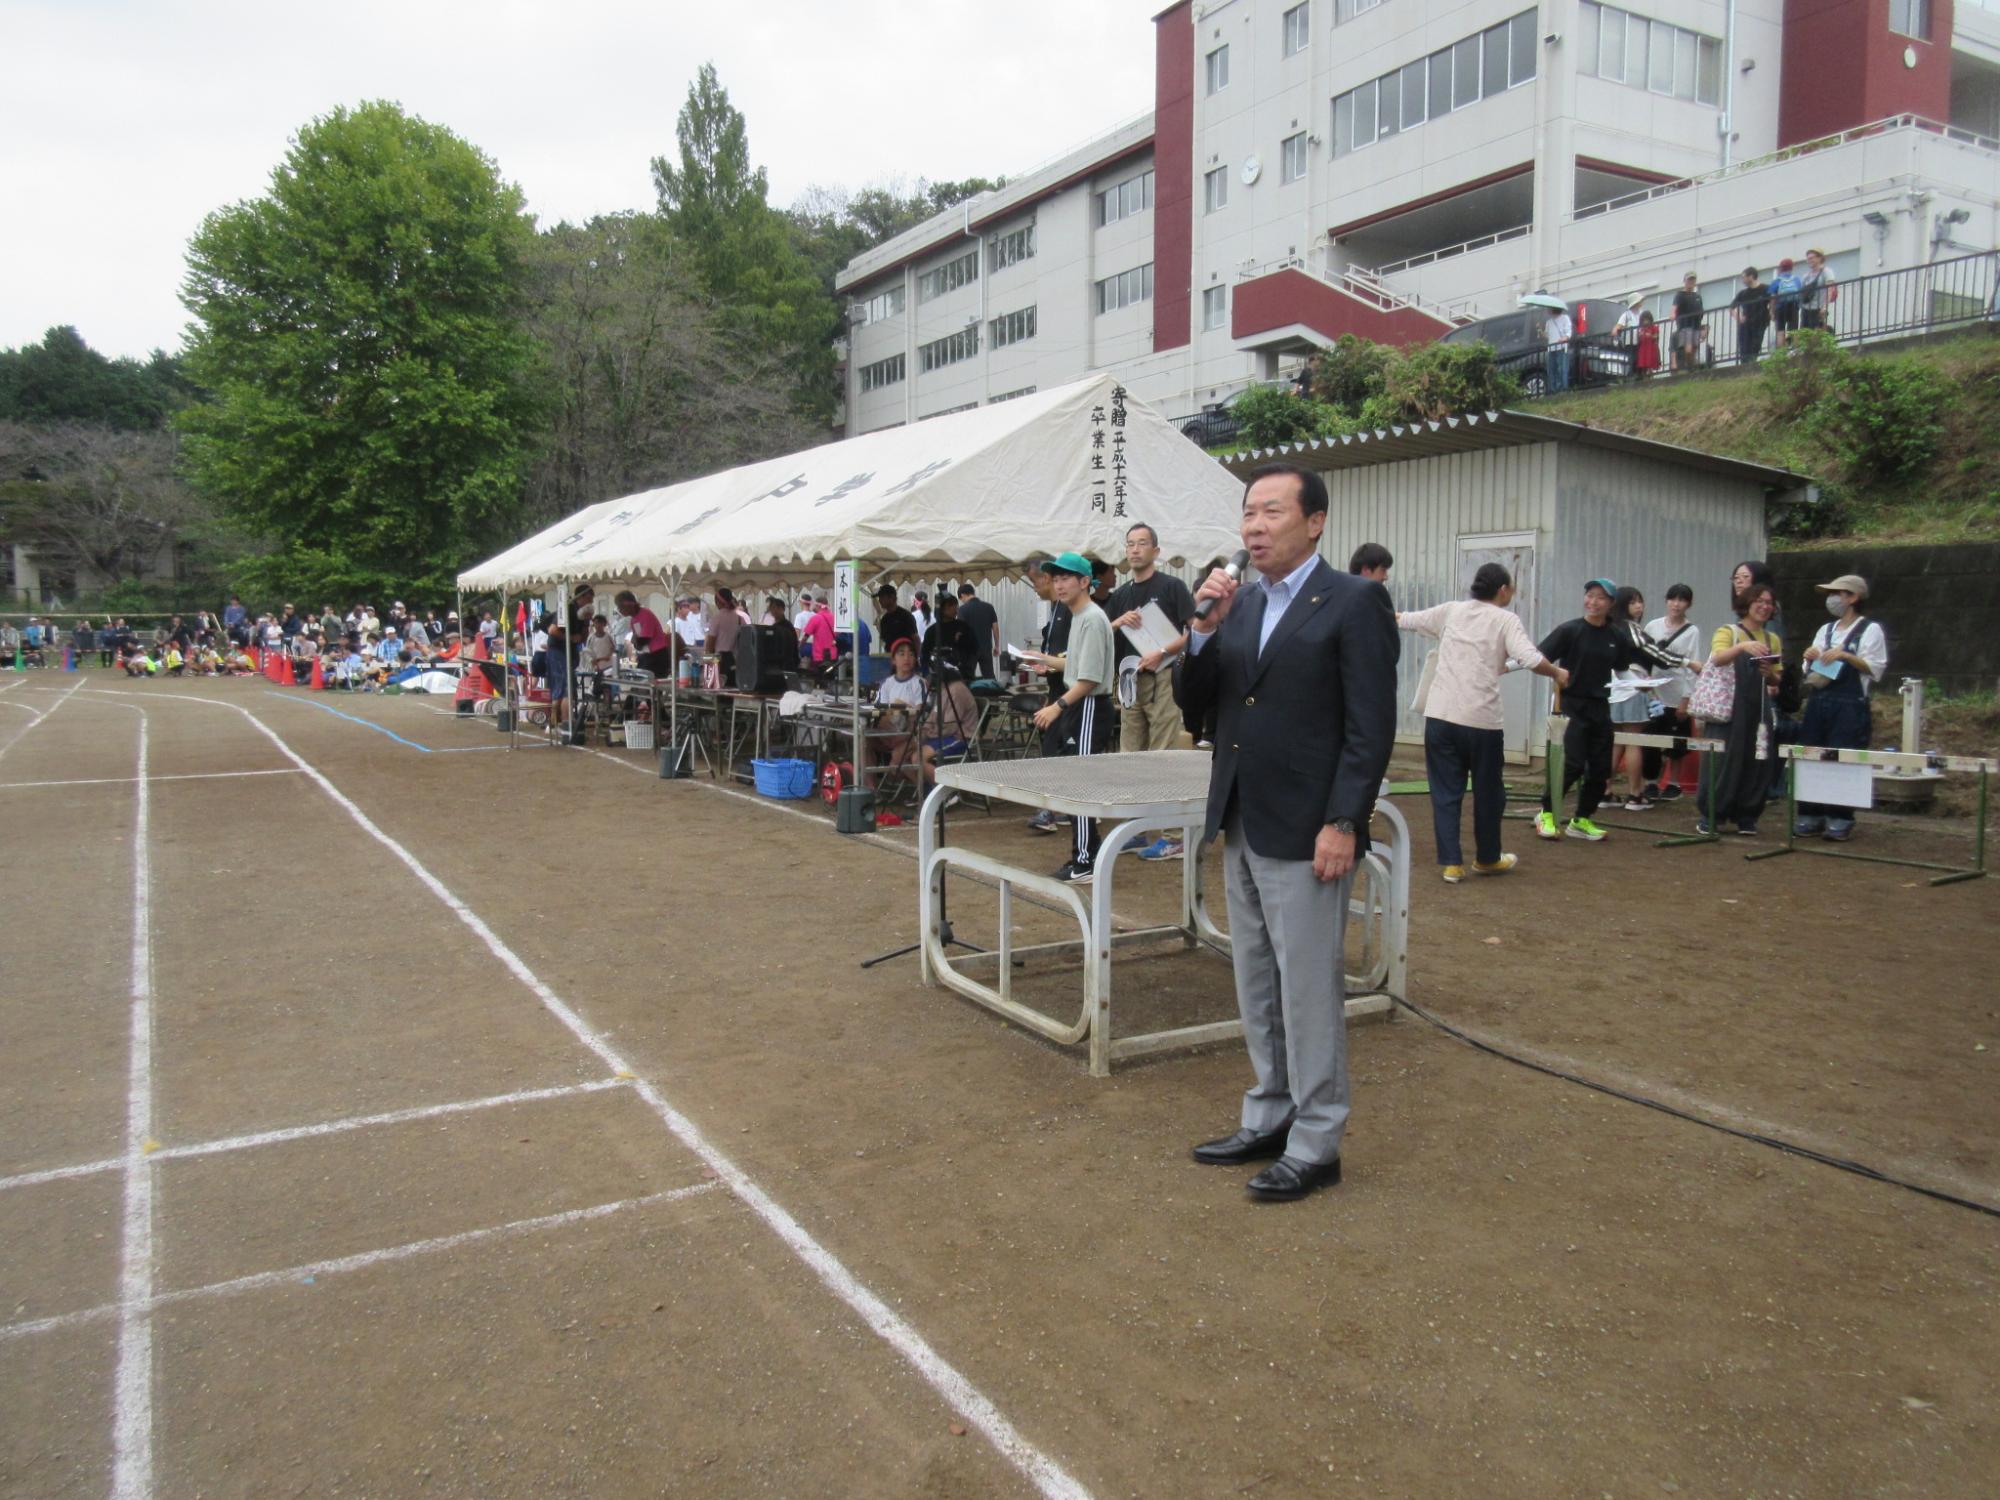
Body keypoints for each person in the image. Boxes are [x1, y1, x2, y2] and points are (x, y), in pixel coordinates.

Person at [1176, 461, 1399, 1204]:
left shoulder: (1355, 601)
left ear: (1315, 522)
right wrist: (1200, 627)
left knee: (1307, 989)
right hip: (1241, 814)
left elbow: (1370, 728)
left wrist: (1345, 821)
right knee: (1257, 980)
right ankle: (1269, 1113)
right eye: (1248, 514)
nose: (1254, 527)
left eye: (1272, 512)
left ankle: (1317, 1140)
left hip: (1309, 828)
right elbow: (1197, 705)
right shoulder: (1235, 605)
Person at [1397, 563, 1567, 882]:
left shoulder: (1452, 611)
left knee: (1446, 790)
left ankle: (1451, 863)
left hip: (1441, 716)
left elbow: (1404, 619)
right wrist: (1557, 673)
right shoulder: (1505, 620)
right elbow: (1531, 659)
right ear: (1502, 590)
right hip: (1481, 721)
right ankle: (1487, 858)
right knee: (1489, 792)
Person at [1533, 579, 1690, 842]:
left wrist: (1641, 685)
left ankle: (1582, 818)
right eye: (1590, 596)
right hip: (1572, 705)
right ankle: (1547, 813)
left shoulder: (1616, 635)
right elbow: (1538, 656)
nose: (1593, 602)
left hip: (1601, 706)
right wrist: (1554, 673)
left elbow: (1621, 670)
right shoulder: (1569, 630)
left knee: (1601, 766)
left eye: (1600, 598)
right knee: (1572, 763)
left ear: (1611, 604)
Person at [1030, 552, 1117, 884]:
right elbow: (1078, 666)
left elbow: (1089, 679)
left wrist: (1057, 707)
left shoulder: (1091, 618)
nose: (1059, 584)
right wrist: (1045, 660)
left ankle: (1084, 861)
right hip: (1083, 706)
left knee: (1079, 784)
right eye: (1056, 578)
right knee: (1076, 782)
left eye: (1067, 577)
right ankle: (1087, 854)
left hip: (1089, 707)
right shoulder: (1080, 616)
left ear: (1085, 582)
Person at [1796, 574, 1887, 841]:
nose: (1832, 599)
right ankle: (1809, 813)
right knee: (1810, 754)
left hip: (1849, 706)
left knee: (1844, 759)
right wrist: (1810, 657)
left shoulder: (1870, 630)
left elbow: (1876, 668)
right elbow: (1809, 669)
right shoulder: (1825, 630)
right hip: (1819, 701)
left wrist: (1846, 655)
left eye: (1838, 593)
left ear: (1853, 597)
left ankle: (1840, 817)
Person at [1105, 522, 1197, 766]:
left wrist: (1163, 652)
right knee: (1130, 749)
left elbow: (1195, 630)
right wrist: (1118, 622)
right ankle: (1130, 801)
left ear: (1156, 552)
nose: (1135, 550)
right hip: (1129, 679)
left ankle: (1159, 800)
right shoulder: (1120, 594)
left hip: (1164, 675)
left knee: (1162, 750)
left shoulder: (1172, 586)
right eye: (1130, 544)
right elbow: (1102, 634)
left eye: (1142, 544)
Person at [1697, 581, 1783, 836]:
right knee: (1722, 760)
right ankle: (1712, 813)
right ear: (1746, 603)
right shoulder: (1729, 631)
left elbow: (1778, 678)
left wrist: (1770, 674)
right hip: (1729, 705)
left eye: (1769, 603)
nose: (1764, 607)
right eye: (1759, 601)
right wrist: (1743, 647)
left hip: (1759, 706)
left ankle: (1747, 814)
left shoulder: (1772, 639)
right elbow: (1717, 658)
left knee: (1758, 759)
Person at [1639, 584, 1702, 802]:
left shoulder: (1692, 631)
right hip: (1654, 693)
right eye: (1673, 599)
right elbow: (1643, 656)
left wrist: (1686, 699)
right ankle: (1651, 782)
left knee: (1677, 742)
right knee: (1651, 739)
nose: (1676, 604)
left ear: (1689, 604)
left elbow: (1693, 666)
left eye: (1682, 600)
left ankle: (1673, 782)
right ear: (1666, 601)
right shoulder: (1653, 626)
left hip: (1677, 695)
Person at [1023, 562, 1072, 835]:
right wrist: (1045, 666)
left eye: (1035, 581)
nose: (1035, 588)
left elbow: (1071, 658)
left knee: (1066, 751)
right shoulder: (1055, 611)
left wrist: (1047, 663)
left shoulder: (1069, 610)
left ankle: (1058, 809)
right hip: (1056, 690)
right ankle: (1054, 808)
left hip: (1070, 694)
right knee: (1053, 748)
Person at [919, 591, 979, 680]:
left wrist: (969, 669)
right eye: (950, 605)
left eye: (956, 604)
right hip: (939, 678)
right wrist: (927, 673)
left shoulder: (963, 627)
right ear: (941, 608)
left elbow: (975, 649)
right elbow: (925, 654)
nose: (955, 608)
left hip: (962, 676)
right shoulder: (932, 631)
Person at [617, 591, 672, 678]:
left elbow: (643, 640)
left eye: (621, 607)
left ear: (630, 605)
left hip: (657, 655)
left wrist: (636, 641)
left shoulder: (646, 614)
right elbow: (636, 643)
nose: (619, 610)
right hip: (645, 655)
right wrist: (636, 641)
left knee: (651, 685)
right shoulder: (633, 620)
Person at [955, 584, 1000, 681]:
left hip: (969, 650)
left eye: (961, 599)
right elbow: (995, 628)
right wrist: (997, 645)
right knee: (989, 676)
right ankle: (993, 694)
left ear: (962, 595)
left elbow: (960, 631)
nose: (962, 601)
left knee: (968, 677)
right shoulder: (988, 607)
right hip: (986, 648)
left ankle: (970, 696)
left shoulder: (962, 610)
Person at [1732, 266, 1771, 366]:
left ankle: (1751, 366)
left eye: (1744, 277)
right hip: (1745, 325)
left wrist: (1771, 313)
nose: (1742, 280)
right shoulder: (1743, 293)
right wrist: (1739, 318)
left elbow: (1774, 301)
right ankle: (1744, 368)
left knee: (1755, 346)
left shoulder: (1765, 289)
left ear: (1751, 276)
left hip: (1760, 323)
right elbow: (1732, 307)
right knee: (1744, 348)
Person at [1671, 272, 1706, 372]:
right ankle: (1689, 366)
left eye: (1693, 280)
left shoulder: (1697, 297)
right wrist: (1673, 314)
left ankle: (1691, 368)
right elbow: (1674, 307)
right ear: (1684, 281)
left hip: (1696, 326)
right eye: (1689, 280)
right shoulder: (1680, 295)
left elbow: (1701, 312)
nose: (1691, 282)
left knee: (1694, 349)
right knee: (1688, 349)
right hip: (1685, 325)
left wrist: (1702, 328)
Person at [707, 589, 744, 680]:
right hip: (735, 660)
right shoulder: (740, 618)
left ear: (718, 602)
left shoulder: (716, 618)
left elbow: (709, 646)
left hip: (718, 659)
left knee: (719, 689)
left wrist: (706, 665)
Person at [1799, 247, 1837, 333]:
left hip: (1818, 309)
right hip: (1806, 309)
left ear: (1819, 258)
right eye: (1808, 258)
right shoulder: (1806, 276)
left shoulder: (1826, 271)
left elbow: (1830, 289)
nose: (1809, 260)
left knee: (1816, 333)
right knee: (1805, 333)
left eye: (1812, 258)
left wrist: (1825, 306)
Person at [874, 585, 917, 660]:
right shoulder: (884, 619)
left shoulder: (906, 616)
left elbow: (916, 638)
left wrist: (915, 658)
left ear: (892, 597)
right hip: (890, 659)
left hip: (905, 659)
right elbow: (885, 640)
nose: (879, 600)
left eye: (882, 597)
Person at [1769, 257, 1802, 348]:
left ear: (1780, 268)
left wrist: (1772, 311)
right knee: (1794, 330)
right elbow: (1800, 293)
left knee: (1780, 331)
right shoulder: (1796, 279)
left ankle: (1781, 353)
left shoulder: (1777, 281)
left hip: (1780, 308)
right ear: (1792, 268)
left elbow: (1772, 297)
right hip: (1793, 307)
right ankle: (1796, 350)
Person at [1543, 300, 1573, 394]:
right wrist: (1540, 330)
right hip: (1551, 348)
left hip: (1561, 347)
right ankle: (1553, 390)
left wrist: (1565, 337)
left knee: (1561, 369)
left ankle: (1562, 389)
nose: (1548, 310)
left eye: (1549, 308)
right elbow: (1547, 335)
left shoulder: (1565, 318)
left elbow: (1568, 331)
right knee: (1552, 370)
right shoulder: (1549, 322)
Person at [798, 598, 837, 666]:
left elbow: (806, 636)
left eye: (815, 605)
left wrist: (799, 647)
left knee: (819, 675)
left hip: (820, 655)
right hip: (833, 654)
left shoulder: (815, 618)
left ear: (818, 606)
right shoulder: (834, 618)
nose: (813, 607)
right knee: (831, 675)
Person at [1634, 309, 1662, 378]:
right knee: (1643, 365)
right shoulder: (1641, 329)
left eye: (1647, 320)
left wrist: (1650, 335)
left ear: (1650, 320)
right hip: (1643, 348)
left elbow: (1656, 336)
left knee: (1650, 364)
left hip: (1651, 348)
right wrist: (1639, 336)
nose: (1645, 322)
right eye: (1643, 320)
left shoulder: (1654, 327)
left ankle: (1651, 377)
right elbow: (1638, 340)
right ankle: (1644, 378)